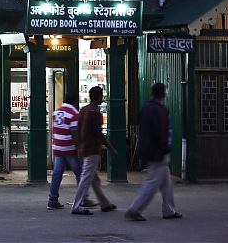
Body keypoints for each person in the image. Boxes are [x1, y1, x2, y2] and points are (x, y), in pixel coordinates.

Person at [125, 82, 182, 221]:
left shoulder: (146, 108)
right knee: (153, 182)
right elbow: (161, 132)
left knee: (166, 182)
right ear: (163, 94)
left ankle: (169, 210)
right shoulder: (160, 110)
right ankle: (135, 209)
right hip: (158, 152)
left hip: (149, 150)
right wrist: (164, 148)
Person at [70, 86, 118, 215]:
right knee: (86, 177)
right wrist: (111, 149)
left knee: (94, 178)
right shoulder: (96, 112)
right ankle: (77, 206)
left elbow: (78, 130)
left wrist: (79, 147)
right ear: (98, 96)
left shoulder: (83, 110)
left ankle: (105, 203)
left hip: (85, 148)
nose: (102, 97)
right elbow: (99, 134)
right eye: (101, 95)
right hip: (92, 149)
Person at [47, 92, 82, 209]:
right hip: (70, 147)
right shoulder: (74, 113)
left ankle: (52, 200)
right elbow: (74, 132)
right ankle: (83, 198)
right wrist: (79, 147)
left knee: (57, 174)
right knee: (79, 173)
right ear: (75, 102)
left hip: (58, 146)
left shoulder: (57, 112)